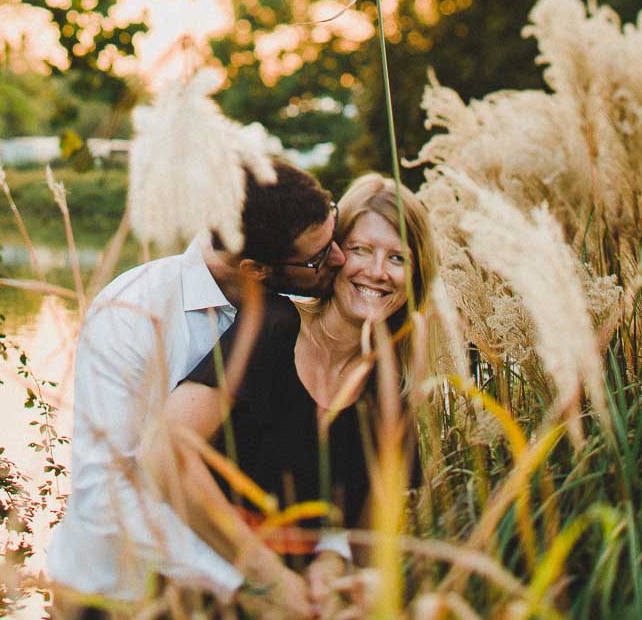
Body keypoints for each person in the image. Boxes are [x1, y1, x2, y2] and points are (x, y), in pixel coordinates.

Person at [45, 159, 343, 615]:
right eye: (319, 258)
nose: (339, 259)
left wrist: (325, 554)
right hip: (114, 595)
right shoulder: (130, 314)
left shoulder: (288, 319)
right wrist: (247, 581)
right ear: (256, 269)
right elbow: (105, 492)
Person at [143, 174, 442, 614]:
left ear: (417, 274)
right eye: (361, 250)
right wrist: (266, 577)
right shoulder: (271, 326)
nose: (377, 272)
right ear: (334, 254)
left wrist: (337, 570)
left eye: (397, 258)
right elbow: (164, 452)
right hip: (199, 599)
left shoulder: (392, 397)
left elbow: (368, 551)